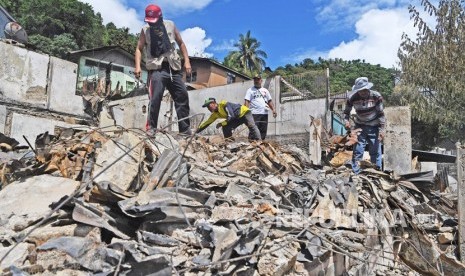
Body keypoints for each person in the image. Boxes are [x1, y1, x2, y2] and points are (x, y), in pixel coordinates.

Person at [134, 4, 192, 134]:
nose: (152, 24)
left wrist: (187, 61)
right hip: (157, 69)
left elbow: (181, 43)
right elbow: (139, 48)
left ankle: (185, 130)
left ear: (160, 17)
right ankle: (151, 129)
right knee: (155, 98)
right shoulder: (145, 30)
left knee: (182, 95)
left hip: (173, 68)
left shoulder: (170, 25)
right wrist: (137, 66)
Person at [343, 77, 385, 174]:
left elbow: (381, 114)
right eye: (361, 91)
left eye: (365, 90)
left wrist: (382, 130)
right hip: (359, 127)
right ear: (357, 91)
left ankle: (376, 173)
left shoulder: (376, 96)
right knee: (358, 151)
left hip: (374, 126)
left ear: (368, 88)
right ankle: (356, 173)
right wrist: (346, 121)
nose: (363, 93)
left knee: (375, 152)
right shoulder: (352, 98)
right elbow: (345, 113)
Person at [196, 98, 261, 141]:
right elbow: (206, 123)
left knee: (252, 126)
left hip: (244, 112)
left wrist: (221, 123)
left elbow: (231, 116)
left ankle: (259, 141)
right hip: (237, 118)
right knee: (226, 127)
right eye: (207, 107)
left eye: (209, 106)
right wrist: (196, 131)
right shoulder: (214, 115)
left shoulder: (223, 104)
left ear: (214, 103)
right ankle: (230, 143)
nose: (208, 108)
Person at [244, 75, 277, 140]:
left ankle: (261, 143)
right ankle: (252, 143)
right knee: (253, 129)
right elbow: (247, 101)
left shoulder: (265, 90)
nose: (256, 81)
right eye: (255, 79)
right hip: (254, 114)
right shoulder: (250, 90)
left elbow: (269, 101)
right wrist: (246, 113)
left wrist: (273, 110)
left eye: (258, 79)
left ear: (261, 80)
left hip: (264, 114)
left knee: (263, 130)